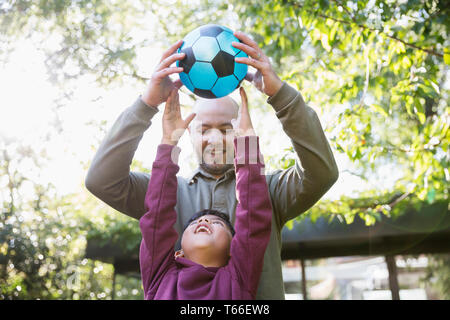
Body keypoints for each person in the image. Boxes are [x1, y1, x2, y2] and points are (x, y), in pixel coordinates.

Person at [85, 30, 339, 299]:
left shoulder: (268, 190)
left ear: (242, 132)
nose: (215, 138)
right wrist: (146, 104)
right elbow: (101, 181)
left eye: (227, 128)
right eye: (204, 129)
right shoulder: (164, 192)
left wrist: (281, 95)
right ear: (190, 133)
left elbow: (321, 173)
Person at [139, 88, 272, 299]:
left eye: (217, 224)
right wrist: (169, 141)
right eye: (194, 223)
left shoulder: (239, 278)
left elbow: (253, 216)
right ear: (178, 252)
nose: (205, 222)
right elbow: (157, 217)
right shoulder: (160, 276)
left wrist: (247, 142)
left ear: (233, 250)